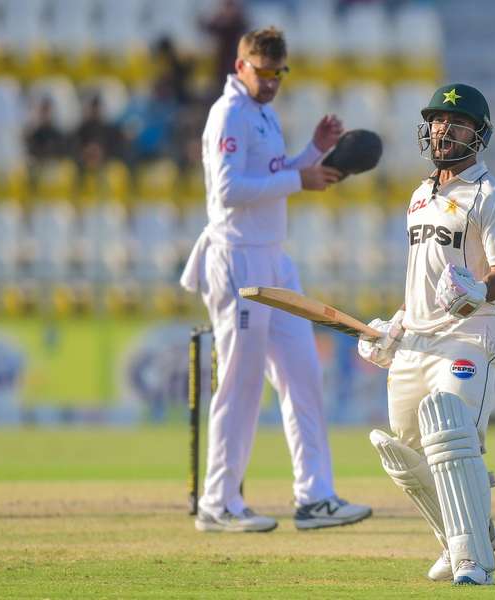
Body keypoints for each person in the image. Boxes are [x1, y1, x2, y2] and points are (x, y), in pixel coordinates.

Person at [179, 27, 372, 533]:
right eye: (262, 73)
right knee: (240, 387)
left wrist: (312, 152)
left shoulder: (261, 113)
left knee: (303, 375)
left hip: (273, 259)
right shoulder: (230, 113)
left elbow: (271, 173)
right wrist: (297, 179)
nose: (270, 83)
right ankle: (218, 504)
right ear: (241, 65)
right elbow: (228, 190)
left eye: (278, 74)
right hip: (238, 259)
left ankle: (315, 497)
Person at [358, 83, 495, 585]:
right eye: (436, 121)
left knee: (449, 432)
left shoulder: (494, 197)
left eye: (457, 123)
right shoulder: (418, 195)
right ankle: (465, 536)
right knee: (405, 454)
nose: (443, 130)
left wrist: (478, 294)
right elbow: (422, 277)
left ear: (480, 134)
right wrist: (396, 324)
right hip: (416, 339)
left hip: (468, 335)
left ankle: (474, 563)